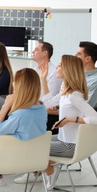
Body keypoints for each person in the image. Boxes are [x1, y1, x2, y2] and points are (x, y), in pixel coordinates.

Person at [0, 68, 47, 192]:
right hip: (34, 159)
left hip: (12, 160)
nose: (13, 83)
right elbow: (23, 134)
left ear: (21, 86)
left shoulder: (20, 114)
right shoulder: (42, 109)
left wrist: (5, 107)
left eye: (15, 81)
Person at [41, 55, 97, 190]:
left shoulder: (74, 95)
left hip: (70, 146)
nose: (56, 67)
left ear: (68, 69)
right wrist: (43, 79)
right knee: (35, 140)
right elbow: (49, 102)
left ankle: (50, 169)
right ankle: (49, 163)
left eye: (60, 65)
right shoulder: (66, 92)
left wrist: (70, 119)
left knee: (33, 147)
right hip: (63, 139)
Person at [13, 42, 62, 184]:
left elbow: (49, 102)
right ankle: (18, 160)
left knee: (22, 120)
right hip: (35, 108)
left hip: (45, 112)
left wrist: (30, 104)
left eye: (36, 49)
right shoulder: (35, 70)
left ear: (45, 53)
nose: (33, 51)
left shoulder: (53, 73)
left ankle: (33, 168)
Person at [75, 41, 97, 112]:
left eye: (79, 54)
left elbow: (85, 107)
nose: (75, 56)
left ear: (88, 59)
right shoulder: (76, 75)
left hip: (82, 121)